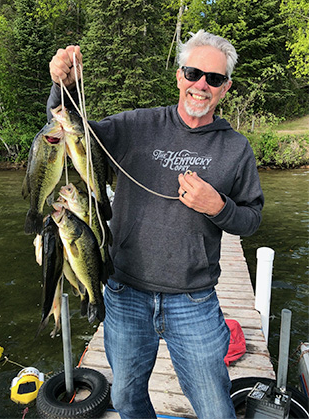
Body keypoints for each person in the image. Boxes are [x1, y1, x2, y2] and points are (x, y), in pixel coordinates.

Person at [47, 30, 264, 419]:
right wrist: (62, 87)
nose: (201, 85)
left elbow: (250, 220)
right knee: (128, 399)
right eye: (194, 73)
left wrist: (218, 206)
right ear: (180, 75)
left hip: (193, 299)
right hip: (125, 292)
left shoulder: (236, 149)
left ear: (225, 88)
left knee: (216, 408)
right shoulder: (137, 126)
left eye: (213, 79)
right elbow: (75, 133)